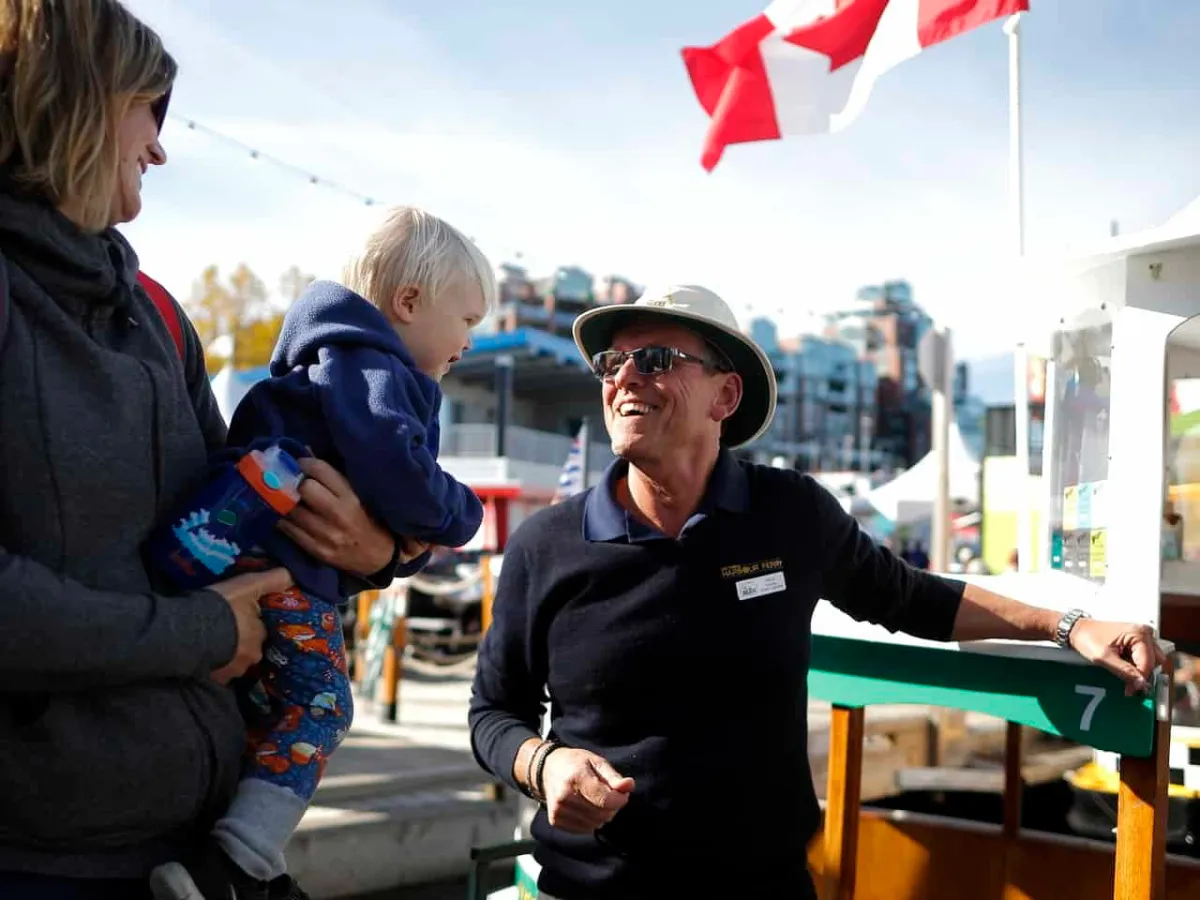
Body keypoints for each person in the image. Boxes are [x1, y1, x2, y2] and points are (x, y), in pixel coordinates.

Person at [468, 284, 1166, 900]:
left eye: (653, 359)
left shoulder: (790, 514)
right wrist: (543, 764)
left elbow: (912, 598)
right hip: (592, 889)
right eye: (611, 361)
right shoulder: (544, 545)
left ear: (725, 395)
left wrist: (1068, 626)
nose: (624, 377)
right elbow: (494, 713)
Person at [0, 3, 408, 898]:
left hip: (193, 856)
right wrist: (198, 633)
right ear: (68, 100)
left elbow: (234, 525)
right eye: (146, 110)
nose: (159, 148)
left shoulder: (157, 316)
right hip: (42, 862)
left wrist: (375, 551)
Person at [148, 207, 491, 900]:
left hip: (248, 562)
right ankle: (237, 860)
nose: (469, 341)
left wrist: (387, 548)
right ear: (408, 303)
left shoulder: (323, 365)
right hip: (285, 576)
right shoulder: (372, 370)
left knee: (270, 712)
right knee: (323, 708)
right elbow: (396, 466)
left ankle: (245, 846)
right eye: (467, 320)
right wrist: (462, 512)